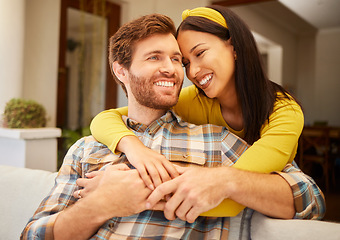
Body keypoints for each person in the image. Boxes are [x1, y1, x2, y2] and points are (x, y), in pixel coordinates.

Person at [21, 13, 324, 240]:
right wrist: (101, 202)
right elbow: (32, 234)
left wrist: (221, 181)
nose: (178, 69)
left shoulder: (219, 140)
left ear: (233, 48)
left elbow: (309, 198)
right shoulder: (86, 149)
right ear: (120, 70)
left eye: (177, 59)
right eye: (155, 57)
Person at [90, 5, 307, 216]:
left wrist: (118, 193)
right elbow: (106, 118)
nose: (192, 72)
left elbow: (231, 197)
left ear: (234, 47)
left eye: (200, 53)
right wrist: (134, 147)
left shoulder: (284, 111)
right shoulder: (194, 100)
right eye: (184, 62)